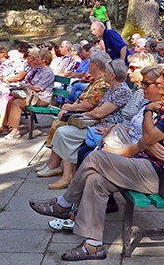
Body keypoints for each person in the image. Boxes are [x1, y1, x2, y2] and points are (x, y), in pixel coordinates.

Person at [28, 64, 164, 261]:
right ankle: (93, 246)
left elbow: (147, 139)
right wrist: (147, 143)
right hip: (152, 168)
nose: (159, 82)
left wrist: (147, 114)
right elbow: (148, 141)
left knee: (94, 158)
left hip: (163, 177)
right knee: (96, 180)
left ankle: (64, 204)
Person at [41, 58, 131, 190]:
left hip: (105, 129)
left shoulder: (121, 91)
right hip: (98, 124)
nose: (104, 74)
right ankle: (68, 174)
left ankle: (67, 176)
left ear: (112, 76)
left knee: (64, 132)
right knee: (63, 130)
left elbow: (99, 113)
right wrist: (94, 114)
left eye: (106, 72)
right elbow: (98, 112)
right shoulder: (112, 89)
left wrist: (90, 115)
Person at [0, 48, 55, 139]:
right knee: (11, 100)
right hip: (32, 96)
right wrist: (26, 85)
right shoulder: (40, 69)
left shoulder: (48, 72)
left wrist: (25, 86)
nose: (36, 58)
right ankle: (5, 126)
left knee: (17, 103)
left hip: (41, 98)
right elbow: (32, 84)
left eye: (38, 57)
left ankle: (15, 130)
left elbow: (38, 88)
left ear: (44, 60)